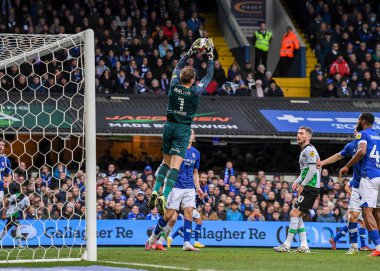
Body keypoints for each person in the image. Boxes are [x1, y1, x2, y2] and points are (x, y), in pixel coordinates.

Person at [148, 38, 214, 216]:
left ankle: (155, 191)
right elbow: (208, 76)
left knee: (165, 162)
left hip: (168, 126)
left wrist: (190, 52)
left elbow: (178, 67)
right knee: (175, 167)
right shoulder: (195, 91)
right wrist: (210, 57)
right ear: (192, 80)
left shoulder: (174, 84)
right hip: (183, 129)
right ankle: (164, 196)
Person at [145, 129, 204, 251]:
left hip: (189, 188)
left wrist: (198, 188)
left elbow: (195, 172)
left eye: (191, 133)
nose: (189, 135)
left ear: (194, 137)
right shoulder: (177, 151)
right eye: (187, 133)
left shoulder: (196, 153)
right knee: (168, 216)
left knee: (189, 213)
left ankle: (186, 243)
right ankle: (153, 237)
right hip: (175, 186)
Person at [318, 129, 373, 254]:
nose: (355, 130)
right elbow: (338, 156)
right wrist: (323, 162)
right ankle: (354, 247)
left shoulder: (372, 143)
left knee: (371, 216)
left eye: (358, 129)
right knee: (354, 218)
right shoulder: (351, 146)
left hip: (371, 184)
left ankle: (373, 246)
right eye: (355, 129)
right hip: (358, 186)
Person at [274, 126, 320, 253]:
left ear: (308, 136)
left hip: (310, 187)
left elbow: (312, 170)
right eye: (297, 133)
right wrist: (297, 181)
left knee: (294, 214)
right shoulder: (305, 150)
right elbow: (305, 171)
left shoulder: (309, 150)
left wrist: (303, 185)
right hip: (309, 186)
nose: (298, 135)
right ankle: (304, 246)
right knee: (298, 216)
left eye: (301, 133)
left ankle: (287, 245)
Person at [339, 113, 380, 256]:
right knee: (377, 212)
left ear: (362, 122)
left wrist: (347, 166)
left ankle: (378, 248)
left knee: (366, 212)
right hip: (379, 174)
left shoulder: (362, 134)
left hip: (369, 176)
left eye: (358, 120)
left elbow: (362, 151)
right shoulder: (378, 135)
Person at [0, 182, 30, 248]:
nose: (24, 190)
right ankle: (19, 244)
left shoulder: (27, 198)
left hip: (16, 215)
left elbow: (28, 208)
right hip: (10, 213)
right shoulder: (14, 196)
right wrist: (3, 214)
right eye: (23, 188)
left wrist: (31, 211)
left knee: (6, 229)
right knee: (18, 226)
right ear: (20, 189)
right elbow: (5, 203)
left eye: (25, 189)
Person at [0, 139, 12, 206]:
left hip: (0, 188)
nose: (1, 146)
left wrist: (7, 182)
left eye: (3, 145)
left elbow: (9, 175)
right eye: (0, 145)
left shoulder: (6, 160)